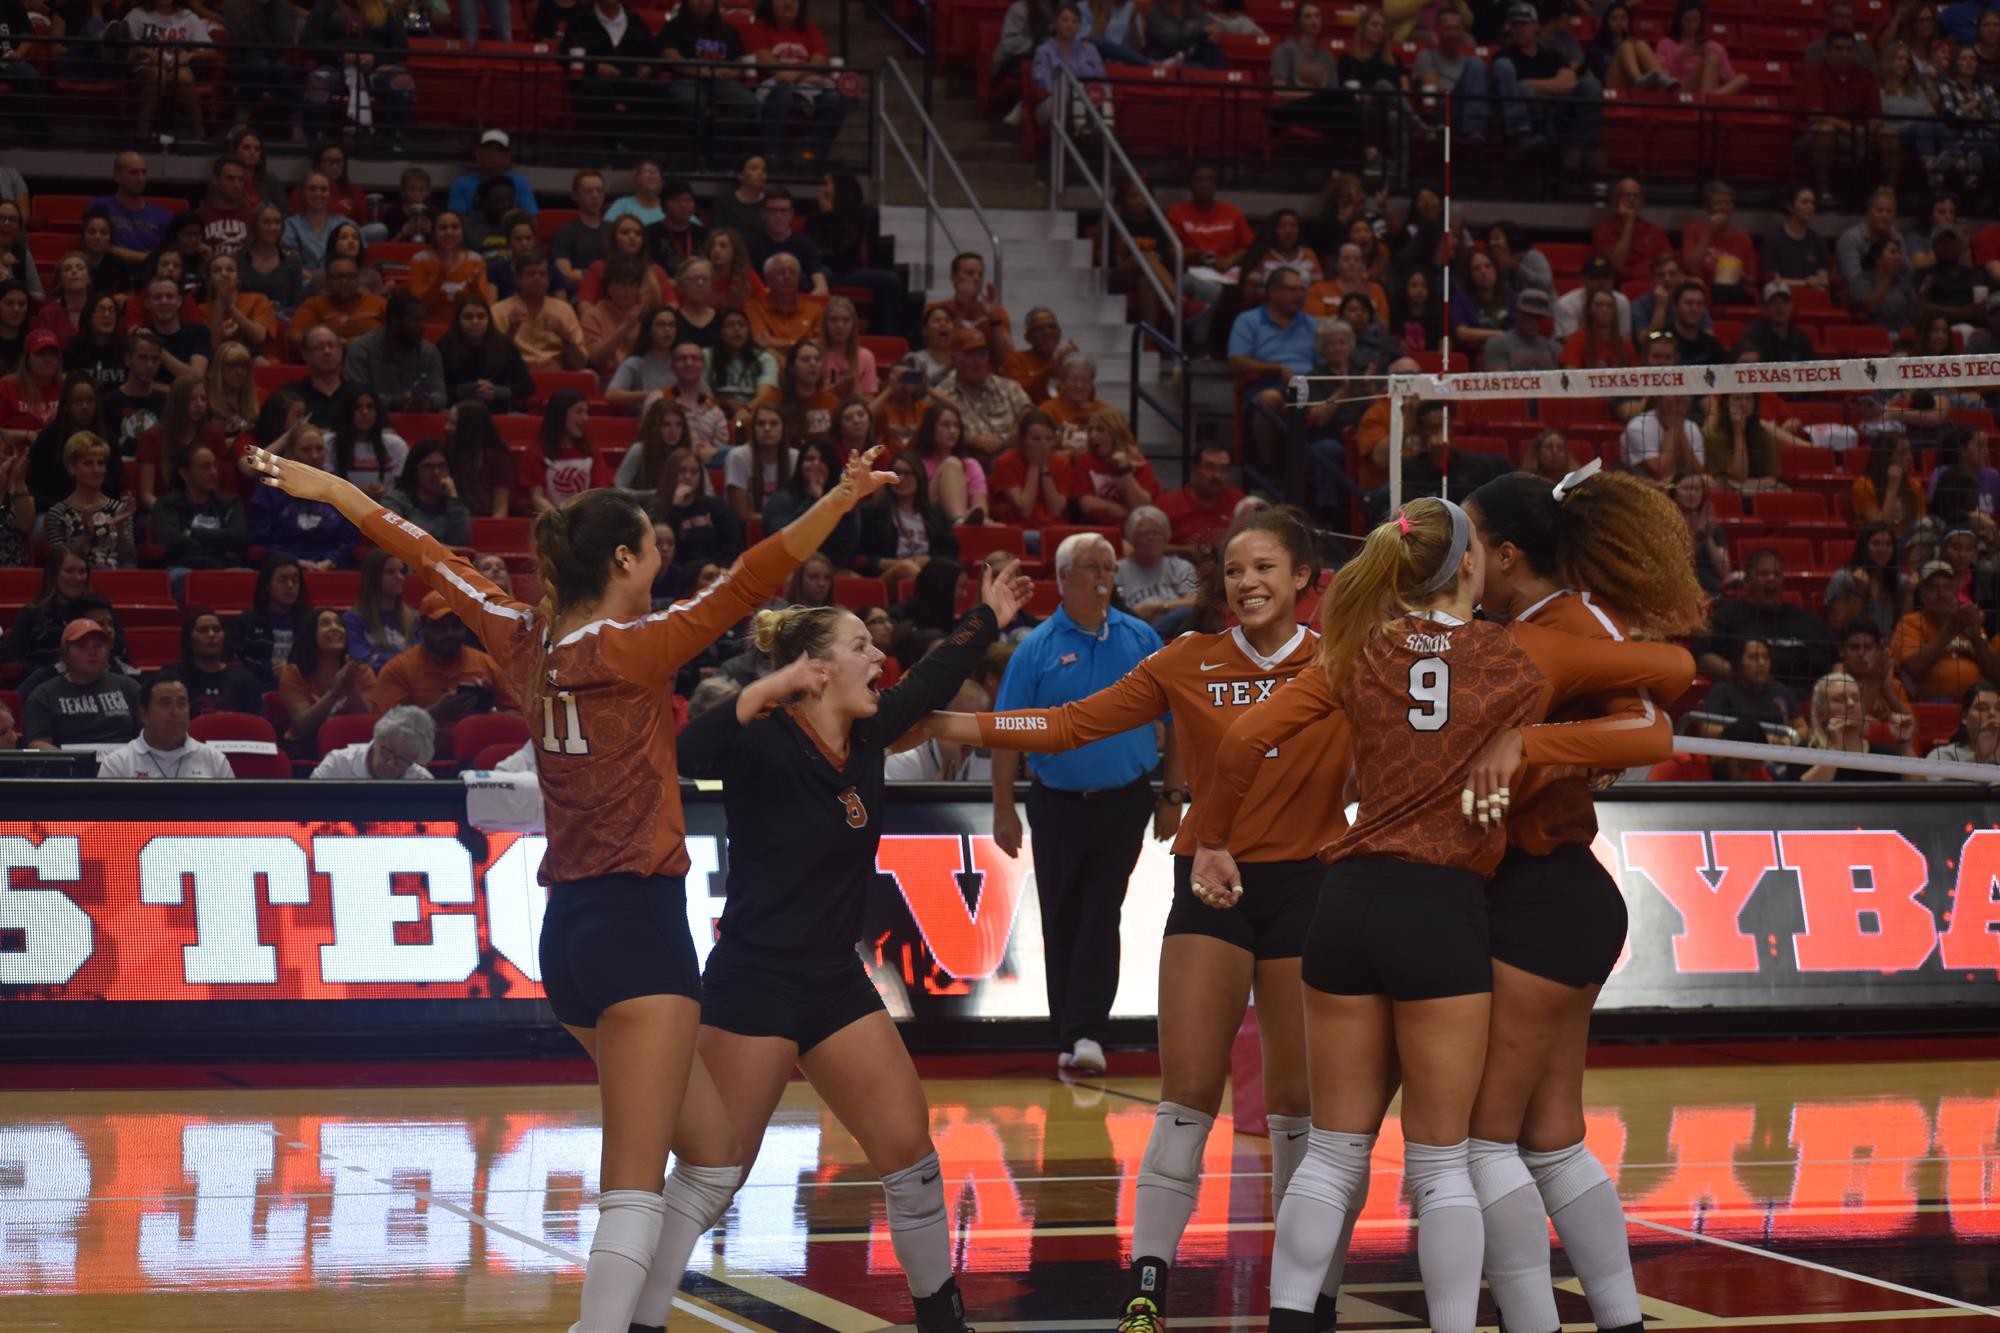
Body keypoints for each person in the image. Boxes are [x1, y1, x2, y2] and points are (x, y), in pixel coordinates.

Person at [248, 429, 896, 1333]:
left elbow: (418, 546)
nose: (665, 556)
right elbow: (754, 577)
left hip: (571, 938)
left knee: (712, 1158)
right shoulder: (638, 647)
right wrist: (840, 500)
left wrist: (331, 488)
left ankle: (641, 1320)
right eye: (654, 545)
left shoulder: (522, 637)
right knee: (633, 1182)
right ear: (624, 558)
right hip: (640, 933)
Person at [1187, 496, 1693, 1333]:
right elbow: (1668, 685)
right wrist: (1532, 738)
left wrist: (1212, 840)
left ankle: (1291, 1318)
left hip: (1344, 903)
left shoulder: (1352, 646)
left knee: (1335, 1148)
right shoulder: (1519, 650)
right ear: (1471, 563)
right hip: (1452, 906)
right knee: (1456, 1155)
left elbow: (1242, 743)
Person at [921, 509, 1344, 1331]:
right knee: (1186, 1092)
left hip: (1308, 888)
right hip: (1208, 884)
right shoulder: (1186, 658)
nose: (1247, 582)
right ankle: (1145, 1285)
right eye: (1232, 569)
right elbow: (1071, 723)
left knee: (1298, 1106)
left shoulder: (1341, 664)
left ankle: (1308, 1298)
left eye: (1265, 567)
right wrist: (948, 723)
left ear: (1304, 578)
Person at [671, 563, 1024, 1333]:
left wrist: (986, 615)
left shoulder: (866, 732)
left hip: (834, 979)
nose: (880, 659)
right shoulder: (761, 743)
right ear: (817, 669)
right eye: (862, 646)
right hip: (755, 979)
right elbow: (688, 752)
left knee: (911, 1154)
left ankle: (943, 1319)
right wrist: (762, 691)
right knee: (712, 1175)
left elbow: (933, 678)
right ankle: (632, 1315)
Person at [1457, 466, 1709, 1333]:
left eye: (1469, 539)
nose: (1457, 553)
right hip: (1554, 895)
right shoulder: (1522, 622)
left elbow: (1650, 726)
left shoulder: (1568, 624)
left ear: (1507, 553)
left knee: (1481, 1140)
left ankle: (1533, 1322)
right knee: (1550, 1135)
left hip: (1541, 896)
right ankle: (1621, 1319)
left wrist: (1528, 743)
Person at [987, 531, 1167, 1072]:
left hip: (1125, 800)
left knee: (1100, 911)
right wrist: (1002, 808)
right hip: (1056, 802)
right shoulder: (1036, 648)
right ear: (1063, 579)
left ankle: (1086, 1031)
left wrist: (1176, 794)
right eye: (1090, 566)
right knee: (1062, 914)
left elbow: (1178, 721)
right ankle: (1067, 1029)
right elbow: (1005, 730)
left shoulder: (1143, 638)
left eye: (1109, 566)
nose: (1102, 575)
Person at [368, 590, 521, 741]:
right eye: (441, 627)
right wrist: (434, 713)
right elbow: (383, 730)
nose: (450, 634)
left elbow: (518, 715)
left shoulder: (487, 664)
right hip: (418, 756)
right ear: (423, 628)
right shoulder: (398, 669)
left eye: (456, 626)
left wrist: (485, 719)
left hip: (479, 750)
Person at [23, 617, 143, 751]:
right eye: (82, 646)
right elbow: (37, 744)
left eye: (98, 646)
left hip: (124, 765)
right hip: (70, 766)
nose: (92, 652)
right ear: (66, 654)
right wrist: (73, 764)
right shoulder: (44, 695)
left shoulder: (129, 687)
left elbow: (148, 737)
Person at [1894, 558, 2000, 698]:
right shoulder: (1910, 622)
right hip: (1931, 705)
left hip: (1979, 704)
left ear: (1956, 593)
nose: (1941, 594)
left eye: (1947, 587)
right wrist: (1951, 629)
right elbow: (1913, 669)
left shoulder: (1967, 620)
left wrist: (1976, 638)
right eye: (1933, 588)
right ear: (1922, 596)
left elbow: (1995, 674)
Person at [92, 673, 234, 778]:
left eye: (181, 703)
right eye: (165, 704)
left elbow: (232, 816)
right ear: (143, 714)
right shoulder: (118, 764)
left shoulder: (215, 761)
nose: (175, 712)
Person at [278, 605, 377, 747]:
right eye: (325, 623)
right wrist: (333, 694)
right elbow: (302, 726)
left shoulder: (361, 671)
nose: (335, 628)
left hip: (351, 749)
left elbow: (366, 726)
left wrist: (351, 687)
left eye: (339, 623)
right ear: (310, 634)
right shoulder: (293, 673)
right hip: (305, 748)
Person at [346, 291, 447, 413]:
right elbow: (356, 396)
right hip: (374, 420)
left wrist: (427, 401)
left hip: (417, 419)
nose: (422, 326)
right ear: (394, 321)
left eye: (423, 319)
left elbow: (441, 395)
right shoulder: (361, 350)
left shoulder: (429, 351)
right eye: (415, 320)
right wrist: (393, 402)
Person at [492, 250, 589, 372]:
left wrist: (565, 336)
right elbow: (494, 364)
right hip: (516, 377)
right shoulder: (498, 311)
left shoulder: (564, 310)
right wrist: (511, 332)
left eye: (542, 274)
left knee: (588, 374)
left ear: (549, 279)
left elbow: (581, 363)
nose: (537, 278)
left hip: (557, 376)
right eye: (531, 274)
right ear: (517, 279)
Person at [311, 703, 439, 778]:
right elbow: (307, 811)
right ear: (377, 739)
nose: (390, 764)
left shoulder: (421, 780)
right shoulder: (337, 764)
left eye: (403, 760)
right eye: (388, 752)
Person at [1158, 442, 1245, 549]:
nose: (1217, 475)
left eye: (1224, 469)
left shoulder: (1238, 500)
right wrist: (1185, 552)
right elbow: (1150, 547)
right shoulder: (1167, 503)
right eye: (1209, 467)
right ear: (1194, 468)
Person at [388, 440, 473, 546]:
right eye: (428, 467)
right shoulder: (395, 500)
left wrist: (454, 498)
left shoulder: (454, 503)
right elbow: (394, 539)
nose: (436, 473)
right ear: (415, 471)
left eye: (441, 466)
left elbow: (460, 541)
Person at [1924, 680, 2000, 769]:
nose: (1992, 713)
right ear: (1964, 717)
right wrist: (1981, 757)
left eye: (1999, 708)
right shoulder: (1944, 755)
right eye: (1981, 708)